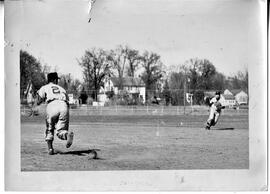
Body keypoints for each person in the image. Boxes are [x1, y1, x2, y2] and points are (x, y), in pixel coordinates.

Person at [34, 72, 74, 155]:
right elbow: (67, 102)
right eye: (57, 79)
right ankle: (66, 135)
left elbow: (38, 100)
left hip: (52, 105)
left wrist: (35, 106)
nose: (57, 81)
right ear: (54, 79)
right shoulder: (62, 89)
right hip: (64, 105)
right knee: (61, 131)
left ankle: (50, 149)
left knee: (49, 128)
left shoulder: (45, 87)